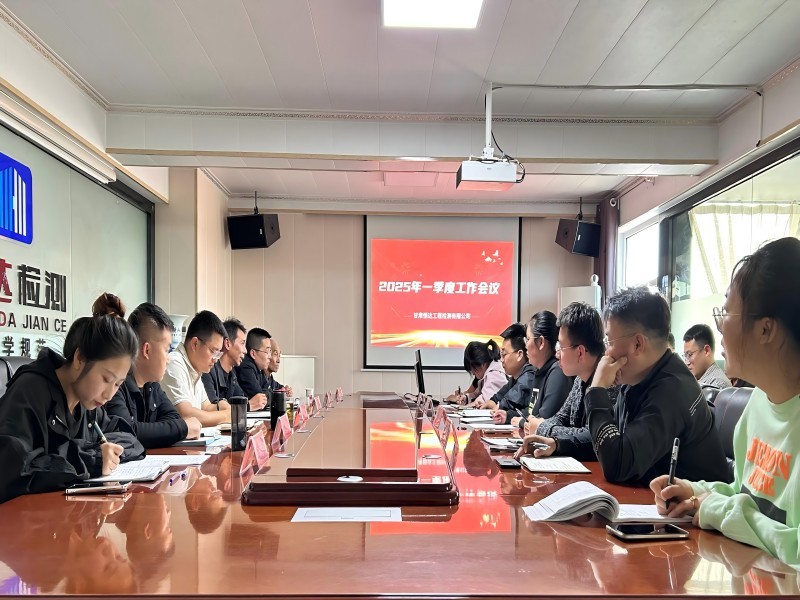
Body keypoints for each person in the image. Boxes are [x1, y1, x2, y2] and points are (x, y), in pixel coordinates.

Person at [651, 237, 800, 569]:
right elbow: (744, 494)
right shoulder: (759, 402)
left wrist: (715, 509)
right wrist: (692, 492)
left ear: (765, 329)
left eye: (726, 313)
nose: (719, 329)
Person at [0, 294, 144, 503]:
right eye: (106, 379)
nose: (109, 394)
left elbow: (130, 438)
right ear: (80, 358)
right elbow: (9, 469)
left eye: (117, 384)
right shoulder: (30, 390)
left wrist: (106, 453)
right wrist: (93, 458)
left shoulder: (87, 404)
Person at [583, 286, 729, 484]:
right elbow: (609, 440)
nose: (606, 353)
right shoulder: (637, 380)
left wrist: (597, 389)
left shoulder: (673, 391)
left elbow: (618, 465)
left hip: (695, 503)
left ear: (637, 344)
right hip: (653, 497)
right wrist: (558, 444)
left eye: (609, 341)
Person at [515, 302, 615, 461]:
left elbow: (594, 436)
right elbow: (562, 417)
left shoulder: (609, 380)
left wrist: (542, 428)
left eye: (561, 347)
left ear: (580, 352)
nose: (557, 354)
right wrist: (540, 427)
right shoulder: (580, 379)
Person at [106, 302, 202, 448]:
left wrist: (157, 431)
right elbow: (126, 432)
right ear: (147, 350)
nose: (169, 359)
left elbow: (173, 417)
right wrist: (183, 428)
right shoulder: (115, 385)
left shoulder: (152, 385)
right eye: (167, 350)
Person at [161, 310, 231, 427]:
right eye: (213, 352)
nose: (215, 359)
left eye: (218, 354)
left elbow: (206, 407)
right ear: (195, 344)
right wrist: (226, 415)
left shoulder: (195, 368)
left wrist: (220, 406)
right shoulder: (174, 363)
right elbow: (186, 414)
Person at [510, 310, 572, 431]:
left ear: (541, 342)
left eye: (527, 339)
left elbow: (544, 420)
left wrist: (522, 422)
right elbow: (532, 411)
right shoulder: (540, 371)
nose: (525, 346)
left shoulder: (557, 373)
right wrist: (508, 416)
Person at [202, 318, 267, 411]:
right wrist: (248, 406)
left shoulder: (232, 375)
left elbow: (241, 399)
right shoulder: (208, 370)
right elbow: (212, 409)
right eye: (242, 343)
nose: (245, 351)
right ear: (227, 344)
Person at [485, 323, 535, 423]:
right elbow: (497, 398)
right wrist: (492, 402)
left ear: (519, 355)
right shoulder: (515, 377)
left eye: (504, 354)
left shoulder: (530, 374)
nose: (501, 360)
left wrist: (497, 406)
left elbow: (505, 404)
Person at [446, 340, 506, 405]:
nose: (473, 373)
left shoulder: (494, 375)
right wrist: (466, 398)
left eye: (473, 369)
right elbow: (476, 394)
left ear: (482, 364)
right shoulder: (485, 375)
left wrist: (466, 406)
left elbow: (485, 400)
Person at [682, 324, 731, 388]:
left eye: (690, 354)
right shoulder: (695, 379)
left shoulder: (717, 384)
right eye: (685, 356)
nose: (687, 362)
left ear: (706, 350)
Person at [235, 327, 273, 399]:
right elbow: (261, 398)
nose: (270, 357)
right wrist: (268, 392)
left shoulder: (259, 369)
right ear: (253, 353)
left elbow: (269, 390)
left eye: (270, 351)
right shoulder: (245, 367)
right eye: (267, 351)